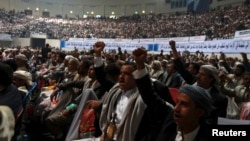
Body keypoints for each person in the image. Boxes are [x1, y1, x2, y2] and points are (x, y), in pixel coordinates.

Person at [90, 42, 173, 141]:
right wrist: (98, 55)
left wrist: (140, 65)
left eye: (127, 74)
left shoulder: (144, 99)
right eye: (121, 73)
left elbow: (148, 93)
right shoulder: (116, 90)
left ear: (136, 77)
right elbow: (102, 77)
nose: (121, 77)